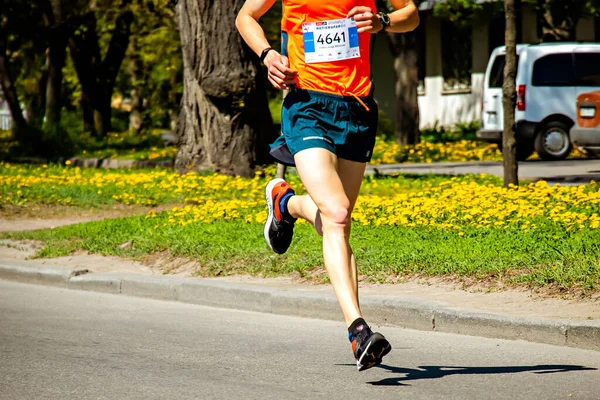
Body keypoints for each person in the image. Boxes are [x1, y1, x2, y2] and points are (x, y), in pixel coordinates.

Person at [236, 0, 419, 371]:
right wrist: (269, 55)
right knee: (336, 214)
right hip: (307, 105)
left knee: (337, 221)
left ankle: (286, 204)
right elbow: (246, 16)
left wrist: (382, 21)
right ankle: (358, 331)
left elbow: (411, 15)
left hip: (358, 108)